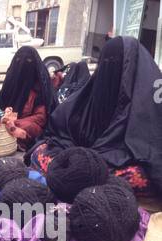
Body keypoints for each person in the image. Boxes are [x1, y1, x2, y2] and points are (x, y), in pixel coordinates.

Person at [25, 36, 162, 198]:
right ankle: (82, 177)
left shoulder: (151, 100)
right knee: (40, 152)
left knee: (138, 176)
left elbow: (152, 148)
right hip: (81, 158)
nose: (111, 67)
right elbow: (60, 126)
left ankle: (78, 178)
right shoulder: (88, 95)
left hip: (120, 164)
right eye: (107, 61)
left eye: (118, 61)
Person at [0, 46, 58, 151]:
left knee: (30, 126)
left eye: (28, 60)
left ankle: (18, 140)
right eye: (18, 60)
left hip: (28, 124)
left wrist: (14, 124)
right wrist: (5, 118)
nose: (22, 64)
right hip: (8, 120)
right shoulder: (11, 84)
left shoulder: (39, 87)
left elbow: (41, 119)